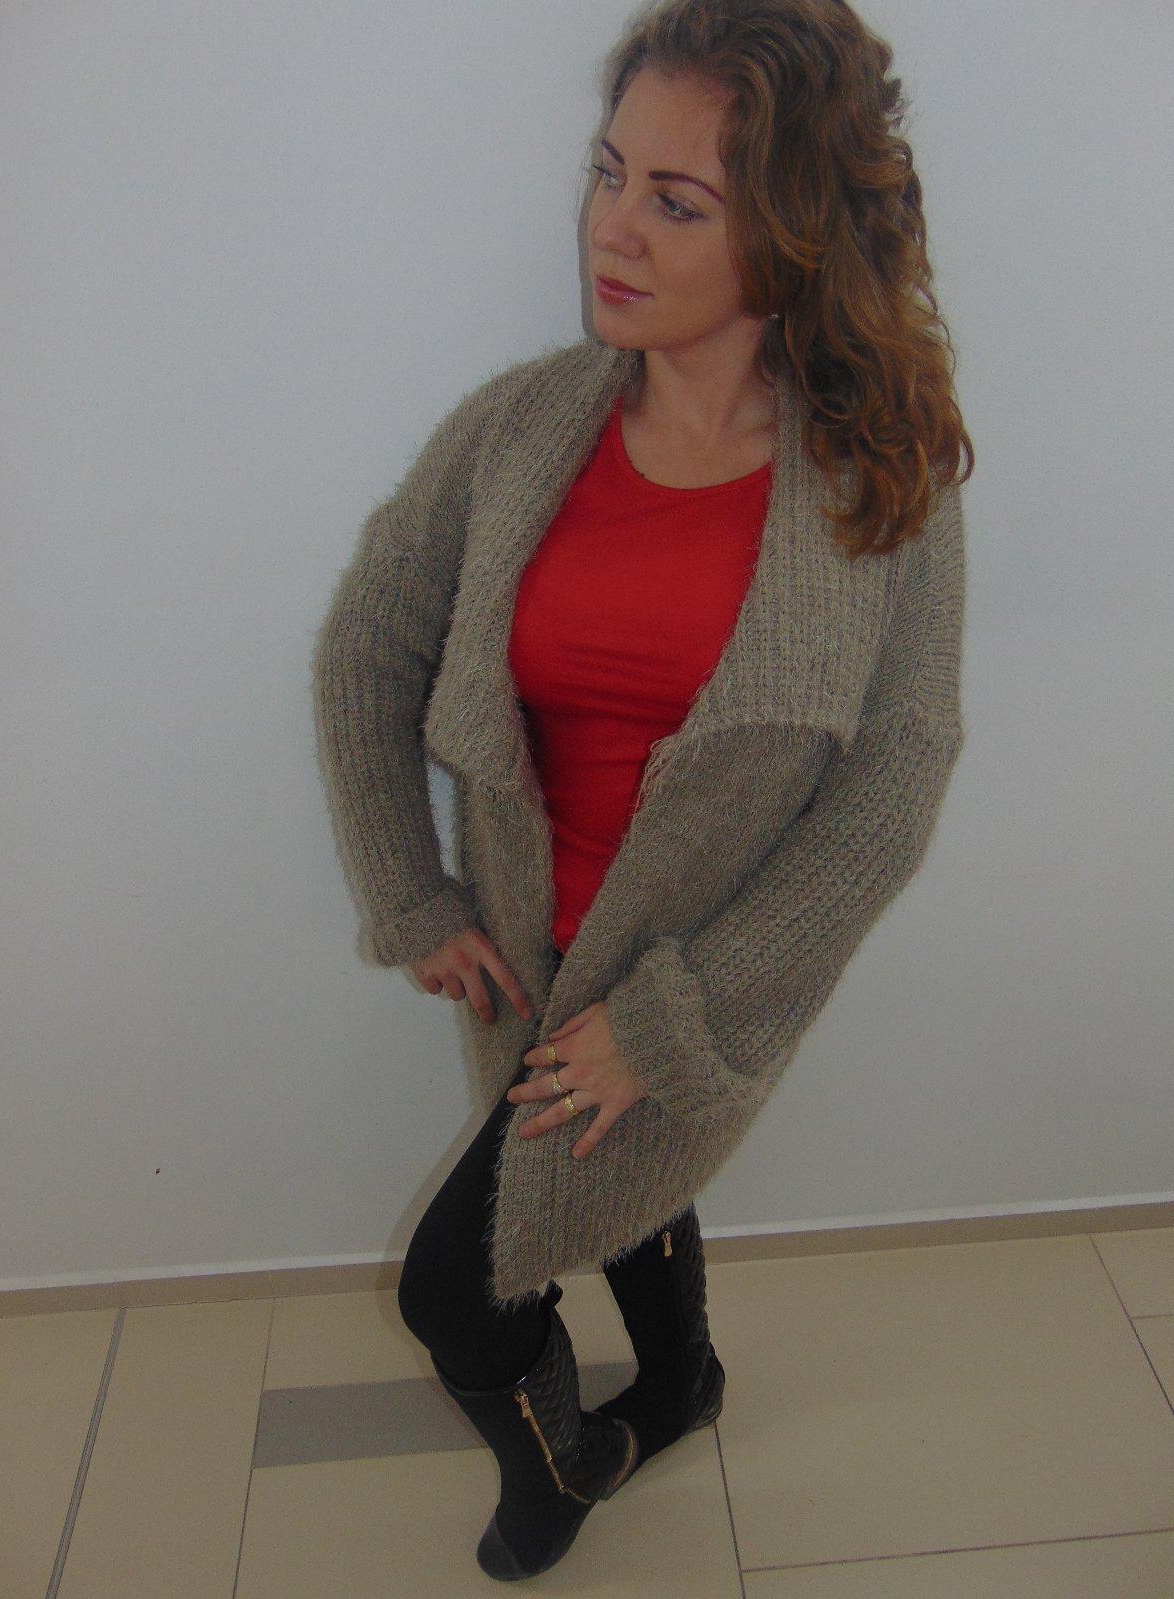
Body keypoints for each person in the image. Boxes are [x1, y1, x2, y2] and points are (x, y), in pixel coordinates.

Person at [311, 0, 972, 1582]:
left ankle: (566, 1462)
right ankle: (678, 1384)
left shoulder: (880, 479)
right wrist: (412, 890)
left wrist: (668, 1023)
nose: (612, 228)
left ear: (792, 233)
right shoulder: (525, 426)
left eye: (677, 201)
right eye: (610, 173)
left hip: (705, 977)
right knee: (613, 1171)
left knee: (455, 1292)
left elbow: (892, 793)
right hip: (530, 947)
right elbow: (368, 648)